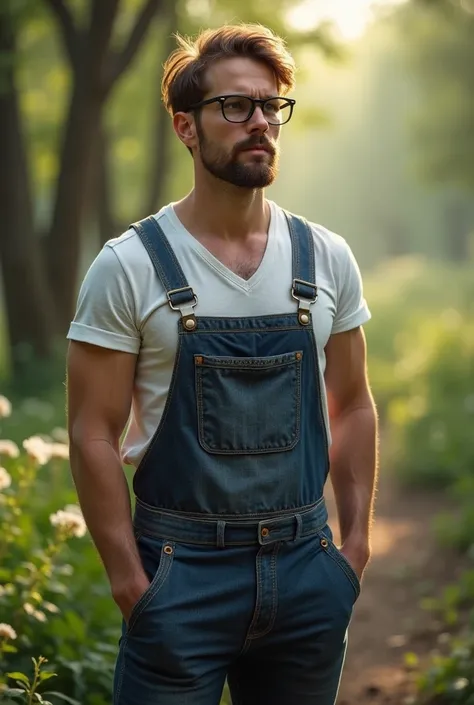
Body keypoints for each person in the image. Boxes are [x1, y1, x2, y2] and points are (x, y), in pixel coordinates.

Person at [66, 22, 378, 705]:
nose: (260, 122)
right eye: (237, 106)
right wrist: (130, 581)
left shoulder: (326, 258)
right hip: (178, 577)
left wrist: (354, 549)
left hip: (306, 567)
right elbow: (92, 429)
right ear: (186, 126)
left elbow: (353, 403)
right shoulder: (129, 265)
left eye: (271, 106)